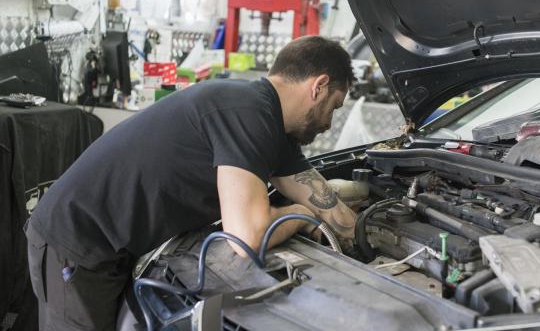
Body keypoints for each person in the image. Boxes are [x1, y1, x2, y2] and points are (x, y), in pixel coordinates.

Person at [25, 35, 356, 330]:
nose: (329, 122)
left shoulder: (270, 125)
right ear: (319, 86)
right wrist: (300, 216)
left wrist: (361, 232)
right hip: (77, 244)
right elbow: (247, 238)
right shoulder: (250, 113)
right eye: (334, 106)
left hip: (114, 247)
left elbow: (326, 204)